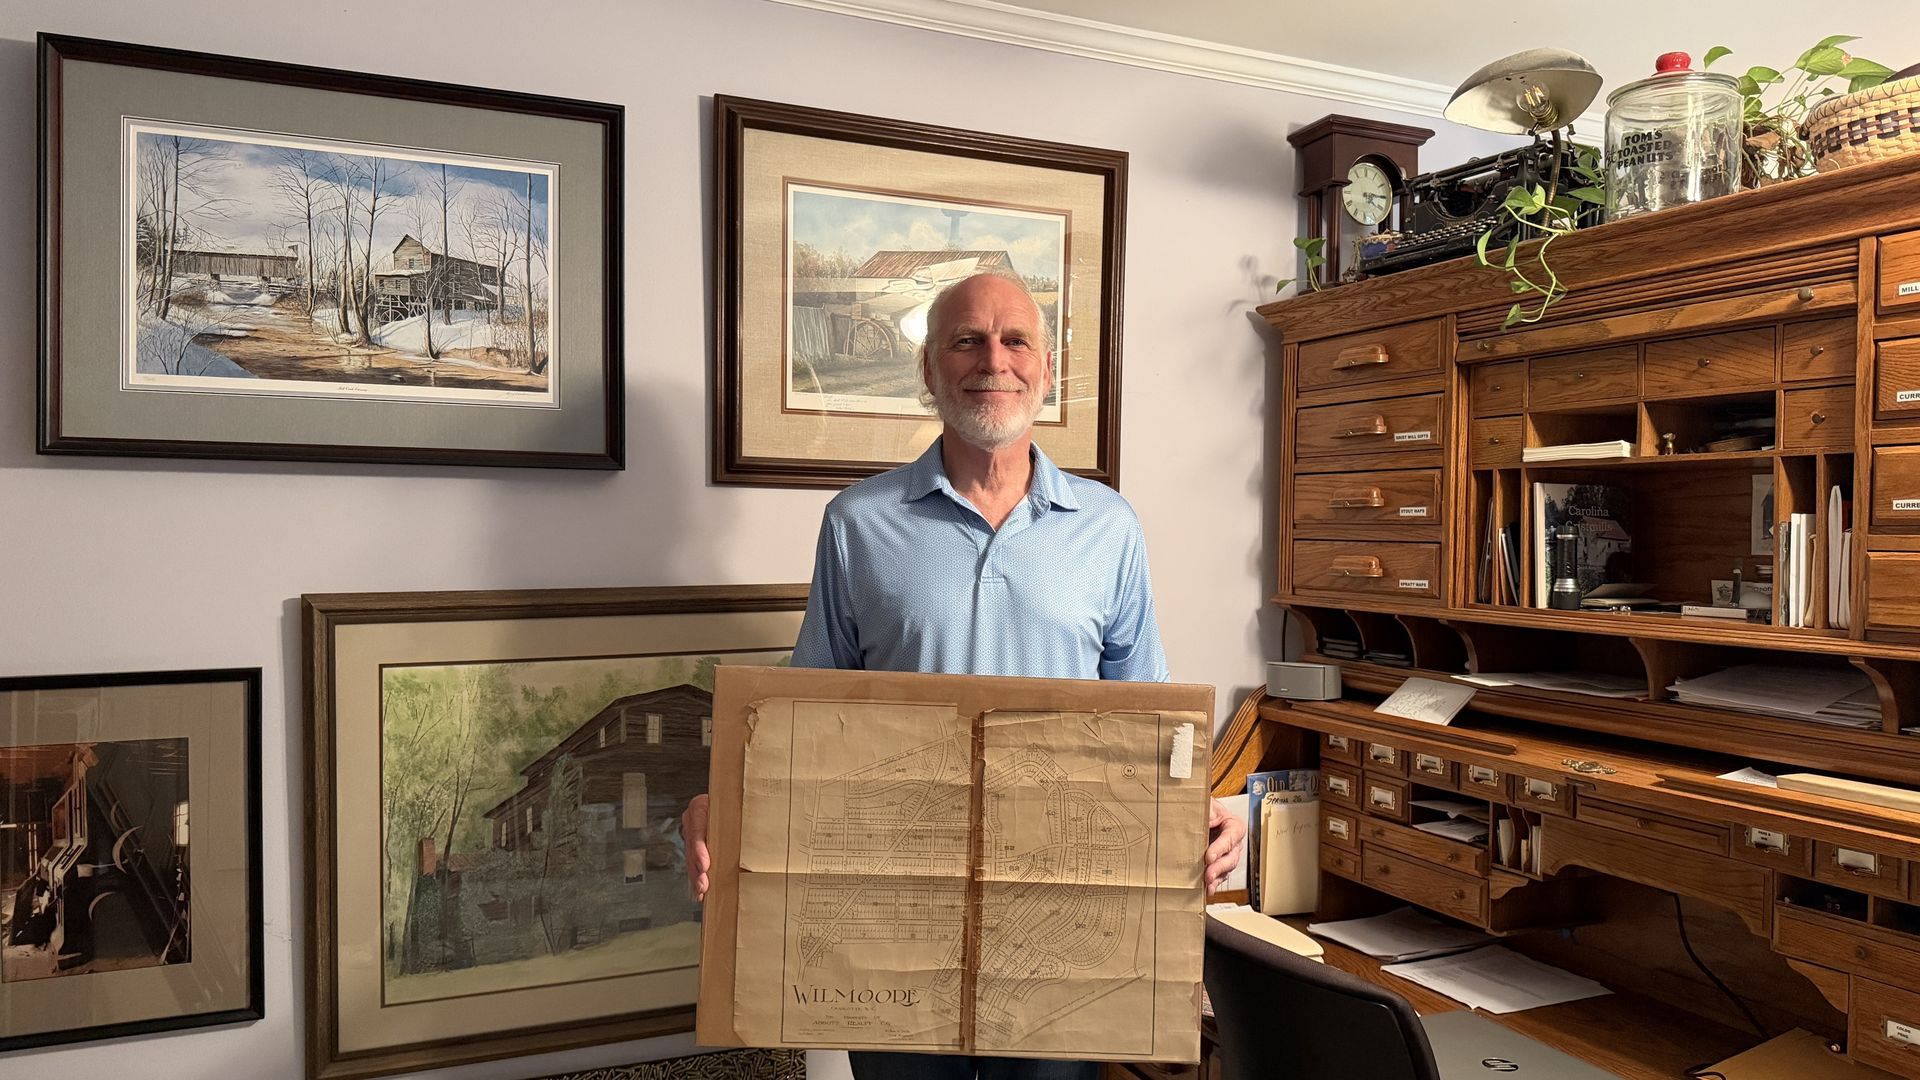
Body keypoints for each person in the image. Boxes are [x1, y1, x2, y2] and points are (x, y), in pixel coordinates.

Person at [682, 271, 1244, 1080]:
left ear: (1046, 369)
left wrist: (1207, 808)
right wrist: (725, 801)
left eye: (1016, 339)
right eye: (966, 339)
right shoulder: (857, 524)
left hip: (1061, 921)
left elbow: (1151, 728)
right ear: (929, 371)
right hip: (892, 920)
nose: (994, 359)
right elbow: (799, 724)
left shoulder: (1111, 528)